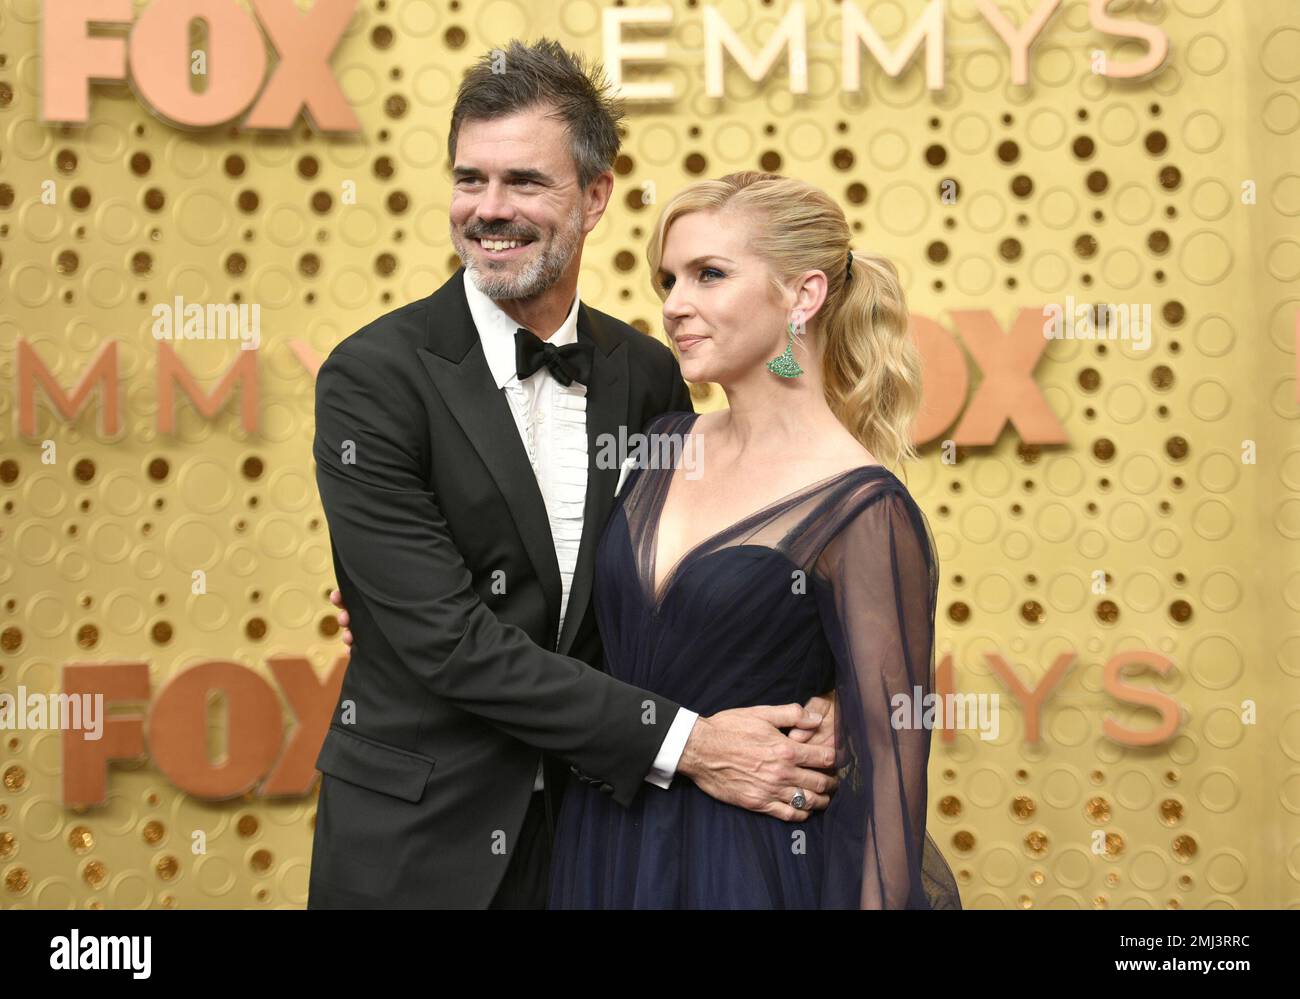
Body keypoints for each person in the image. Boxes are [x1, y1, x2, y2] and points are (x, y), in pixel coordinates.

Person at [307, 39, 841, 910]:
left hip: (606, 840)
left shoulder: (648, 374)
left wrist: (832, 696)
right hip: (417, 845)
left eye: (524, 181)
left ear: (595, 197)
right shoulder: (372, 377)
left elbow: (694, 589)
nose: (489, 209)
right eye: (469, 179)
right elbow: (447, 644)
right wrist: (690, 744)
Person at [545, 170, 964, 908]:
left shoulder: (864, 506)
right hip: (605, 843)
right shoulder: (660, 444)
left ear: (802, 296)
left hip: (749, 866)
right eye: (668, 279)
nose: (675, 305)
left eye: (710, 275)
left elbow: (890, 787)